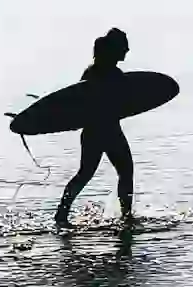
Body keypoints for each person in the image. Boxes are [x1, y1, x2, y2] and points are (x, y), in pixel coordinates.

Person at [55, 27, 135, 230]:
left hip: (102, 131)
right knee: (98, 173)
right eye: (124, 46)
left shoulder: (101, 71)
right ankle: (125, 217)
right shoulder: (98, 73)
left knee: (113, 173)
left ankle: (62, 213)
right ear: (115, 49)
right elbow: (82, 101)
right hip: (101, 132)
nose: (127, 49)